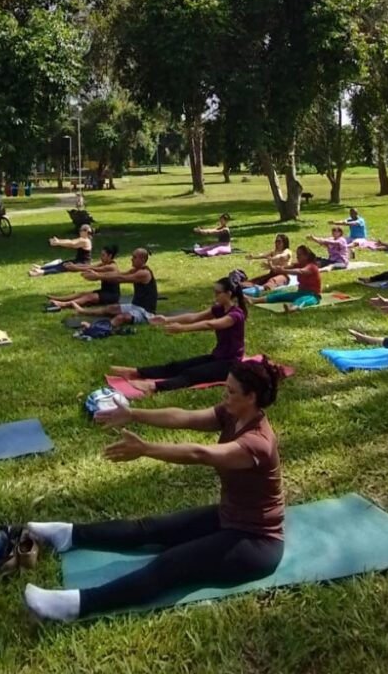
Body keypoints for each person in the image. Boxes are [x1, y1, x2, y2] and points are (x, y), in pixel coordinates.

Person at [23, 359, 285, 622]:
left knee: (171, 564)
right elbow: (185, 417)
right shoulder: (233, 413)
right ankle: (68, 535)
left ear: (251, 397)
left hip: (256, 541)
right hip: (228, 516)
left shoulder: (258, 443)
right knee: (148, 528)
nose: (224, 394)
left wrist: (146, 449)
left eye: (231, 391)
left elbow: (201, 454)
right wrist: (133, 414)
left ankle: (75, 606)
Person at [107, 277, 247, 394]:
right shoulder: (219, 309)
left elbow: (210, 324)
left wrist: (182, 329)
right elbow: (194, 317)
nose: (215, 295)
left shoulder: (236, 315)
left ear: (228, 294)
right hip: (217, 356)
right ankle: (136, 373)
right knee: (177, 366)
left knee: (192, 373)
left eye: (218, 293)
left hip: (230, 364)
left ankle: (154, 387)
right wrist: (167, 319)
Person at [73, 248, 158, 328]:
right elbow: (119, 275)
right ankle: (82, 311)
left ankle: (97, 328)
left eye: (134, 257)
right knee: (111, 308)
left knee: (121, 318)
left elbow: (121, 279)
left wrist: (98, 276)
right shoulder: (135, 270)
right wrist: (98, 274)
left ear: (142, 259)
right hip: (135, 306)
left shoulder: (144, 273)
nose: (131, 259)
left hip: (145, 312)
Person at [244, 246, 322, 312]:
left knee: (302, 300)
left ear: (306, 256)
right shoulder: (299, 264)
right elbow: (283, 268)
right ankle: (253, 300)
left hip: (313, 296)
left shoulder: (312, 267)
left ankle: (292, 308)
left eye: (299, 255)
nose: (297, 257)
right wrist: (272, 267)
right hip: (300, 293)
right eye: (297, 254)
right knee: (279, 296)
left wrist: (284, 271)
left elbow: (300, 271)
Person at [46, 245, 122, 311]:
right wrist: (75, 266)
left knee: (89, 297)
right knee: (82, 294)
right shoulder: (104, 263)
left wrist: (76, 268)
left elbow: (93, 269)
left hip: (112, 296)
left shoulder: (111, 267)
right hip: (104, 291)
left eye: (103, 255)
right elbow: (90, 266)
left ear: (110, 256)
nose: (101, 257)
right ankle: (58, 299)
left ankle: (62, 304)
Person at [29, 225, 94, 277]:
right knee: (62, 263)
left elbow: (72, 244)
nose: (80, 231)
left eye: (82, 230)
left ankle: (41, 272)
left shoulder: (85, 241)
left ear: (86, 232)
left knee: (66, 266)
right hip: (78, 261)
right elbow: (70, 241)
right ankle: (42, 268)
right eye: (80, 230)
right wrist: (58, 241)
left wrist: (58, 243)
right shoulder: (83, 239)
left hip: (84, 263)